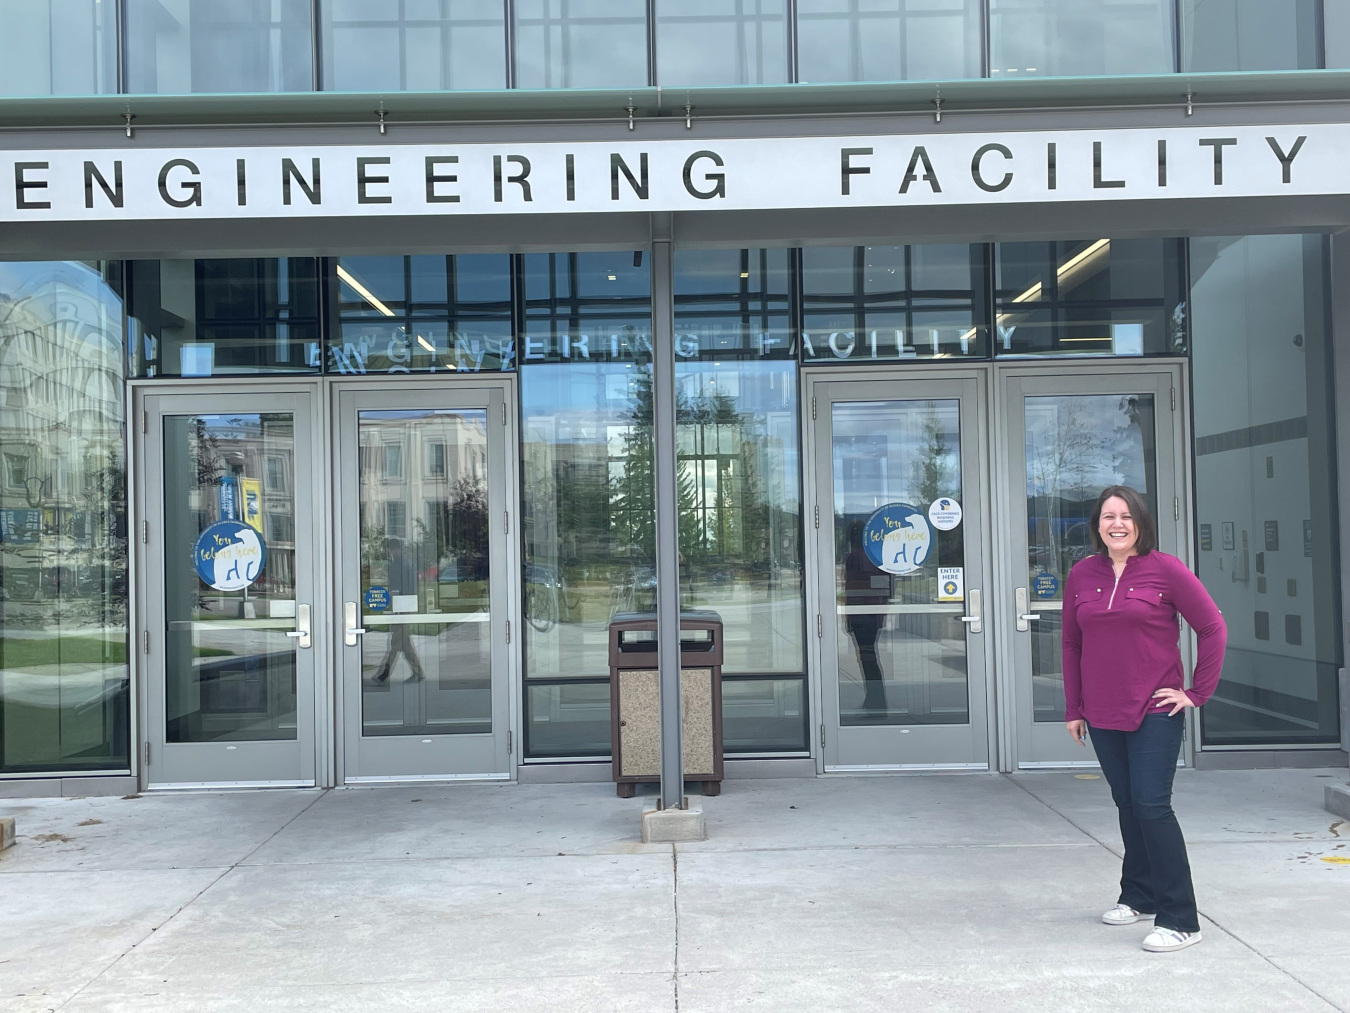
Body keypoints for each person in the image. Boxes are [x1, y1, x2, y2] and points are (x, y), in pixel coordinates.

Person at [1062, 485, 1226, 953]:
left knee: (1152, 806)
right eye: (1108, 516)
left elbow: (1213, 626)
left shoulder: (1165, 569)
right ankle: (1139, 894)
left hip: (1156, 708)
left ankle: (1181, 918)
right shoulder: (1082, 574)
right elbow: (1071, 644)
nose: (1117, 523)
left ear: (1140, 523)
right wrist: (1074, 708)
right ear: (1097, 525)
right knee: (1128, 804)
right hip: (1102, 710)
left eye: (1125, 516)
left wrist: (1196, 692)